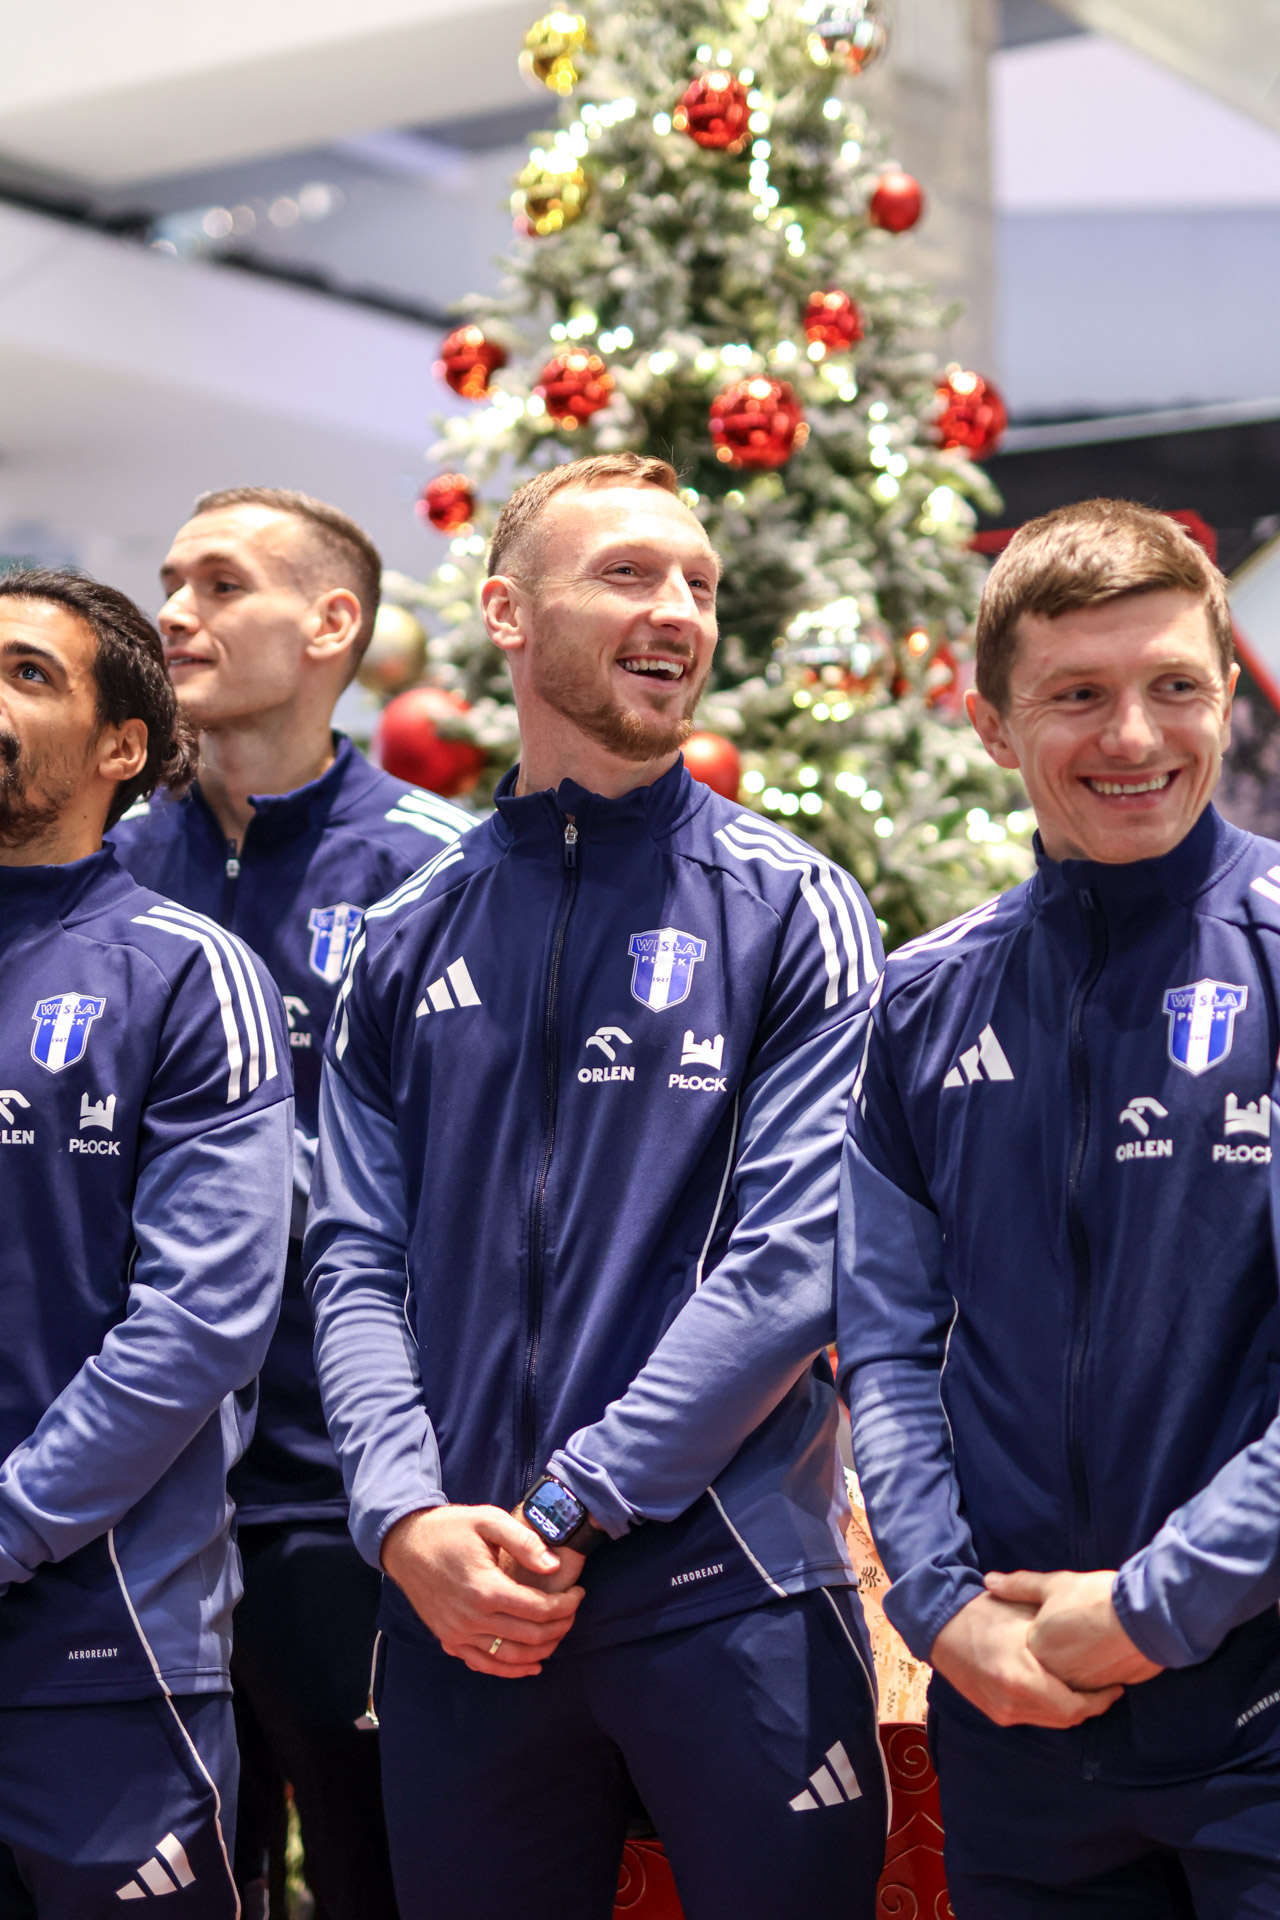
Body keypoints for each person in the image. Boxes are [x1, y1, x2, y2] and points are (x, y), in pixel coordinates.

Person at [304, 452, 889, 1920]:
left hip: (727, 1591)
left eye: (699, 583)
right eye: (628, 574)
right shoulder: (405, 932)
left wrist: (573, 1499)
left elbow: (794, 1261)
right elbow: (354, 1261)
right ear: (508, 614)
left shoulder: (794, 906)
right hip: (461, 1608)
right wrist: (405, 1517)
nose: (679, 610)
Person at [838, 497, 1280, 1916]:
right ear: (990, 723)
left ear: (1227, 693)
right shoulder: (923, 1002)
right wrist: (942, 1608)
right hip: (1016, 1720)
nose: (1134, 737)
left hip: (1258, 1717)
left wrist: (1154, 1609)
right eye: (1077, 695)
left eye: (1175, 687)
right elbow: (889, 1344)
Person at [110, 487, 474, 1920]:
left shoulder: (443, 870)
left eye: (221, 585)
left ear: (332, 624)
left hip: (345, 1484)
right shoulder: (104, 863)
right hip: (129, 1489)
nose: (174, 615)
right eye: (170, 582)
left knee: (379, 1871)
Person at [0, 568, 292, 1917]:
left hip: (102, 1654)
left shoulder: (186, 972)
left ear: (123, 747)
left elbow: (200, 1323)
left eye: (27, 673)